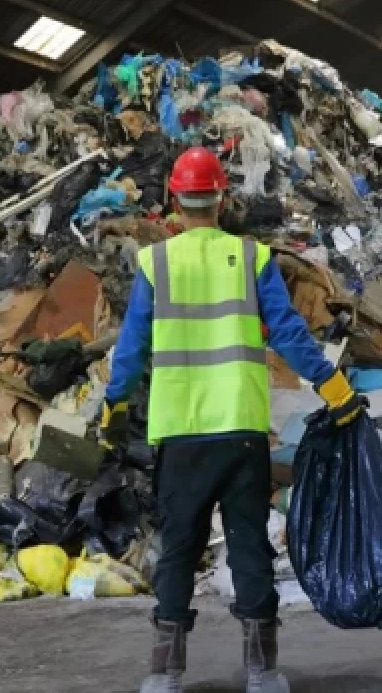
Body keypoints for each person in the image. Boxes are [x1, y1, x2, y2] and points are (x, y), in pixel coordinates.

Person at [100, 147, 363, 693]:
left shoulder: (157, 264)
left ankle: (165, 675)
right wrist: (333, 387)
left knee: (177, 546)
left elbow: (131, 349)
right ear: (222, 198)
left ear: (175, 198)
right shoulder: (252, 259)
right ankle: (263, 672)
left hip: (180, 433)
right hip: (241, 431)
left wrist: (115, 405)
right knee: (248, 544)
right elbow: (289, 333)